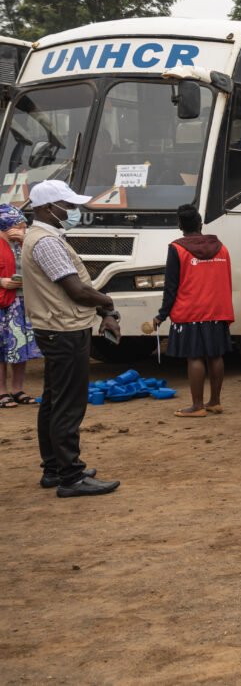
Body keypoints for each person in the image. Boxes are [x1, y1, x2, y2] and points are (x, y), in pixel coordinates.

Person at [22, 180, 120, 496]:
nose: (73, 211)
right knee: (68, 405)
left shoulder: (42, 237)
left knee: (53, 401)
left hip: (56, 327)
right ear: (48, 207)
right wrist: (106, 303)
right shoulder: (47, 243)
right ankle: (71, 476)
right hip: (64, 330)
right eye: (68, 205)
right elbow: (76, 290)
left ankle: (54, 468)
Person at [152, 204, 233, 417]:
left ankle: (197, 407)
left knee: (194, 357)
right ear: (200, 223)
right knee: (215, 356)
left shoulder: (177, 248)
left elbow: (171, 286)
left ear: (180, 225)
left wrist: (162, 314)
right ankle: (214, 402)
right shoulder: (221, 247)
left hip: (190, 312)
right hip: (218, 310)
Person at [0, 205, 40, 408]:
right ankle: (1, 392)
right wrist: (2, 281)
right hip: (3, 303)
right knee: (2, 349)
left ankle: (17, 389)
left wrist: (25, 240)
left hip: (23, 302)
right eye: (18, 226)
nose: (22, 229)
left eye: (24, 226)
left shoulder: (25, 245)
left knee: (20, 348)